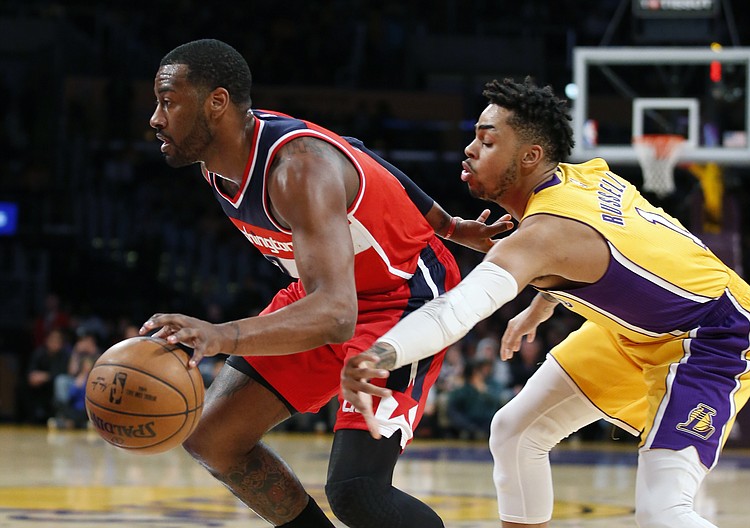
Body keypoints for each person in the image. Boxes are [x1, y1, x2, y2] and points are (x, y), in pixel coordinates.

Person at [341, 77, 750, 528]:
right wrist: (541, 305)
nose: (469, 149)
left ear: (530, 156)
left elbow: (455, 311)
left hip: (714, 334)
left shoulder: (543, 234)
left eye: (486, 141)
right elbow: (604, 252)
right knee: (515, 432)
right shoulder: (581, 176)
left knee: (662, 512)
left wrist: (380, 353)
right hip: (634, 330)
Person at [139, 39, 512, 528]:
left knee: (357, 492)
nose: (155, 118)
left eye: (168, 101)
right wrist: (449, 223)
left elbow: (337, 316)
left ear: (217, 103)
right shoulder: (221, 160)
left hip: (403, 299)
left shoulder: (298, 167)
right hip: (323, 295)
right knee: (213, 438)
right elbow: (358, 153)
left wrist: (218, 334)